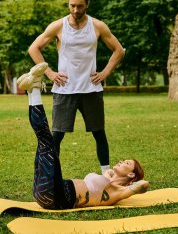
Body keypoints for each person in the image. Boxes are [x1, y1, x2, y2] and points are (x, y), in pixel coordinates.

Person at [17, 63, 149, 210]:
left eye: (126, 163)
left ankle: (34, 89)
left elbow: (144, 184)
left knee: (46, 140)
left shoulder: (118, 192)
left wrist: (123, 183)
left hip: (58, 195)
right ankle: (32, 90)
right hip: (46, 192)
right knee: (43, 144)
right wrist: (111, 176)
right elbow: (107, 178)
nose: (121, 161)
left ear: (131, 175)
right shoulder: (109, 180)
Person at [28, 0, 125, 174]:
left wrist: (105, 73)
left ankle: (107, 174)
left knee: (99, 133)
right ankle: (50, 174)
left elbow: (119, 50)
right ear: (68, 4)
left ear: (87, 4)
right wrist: (49, 73)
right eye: (72, 6)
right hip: (65, 89)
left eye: (80, 6)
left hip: (91, 89)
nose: (75, 10)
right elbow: (34, 48)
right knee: (57, 135)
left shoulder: (97, 26)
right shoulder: (58, 26)